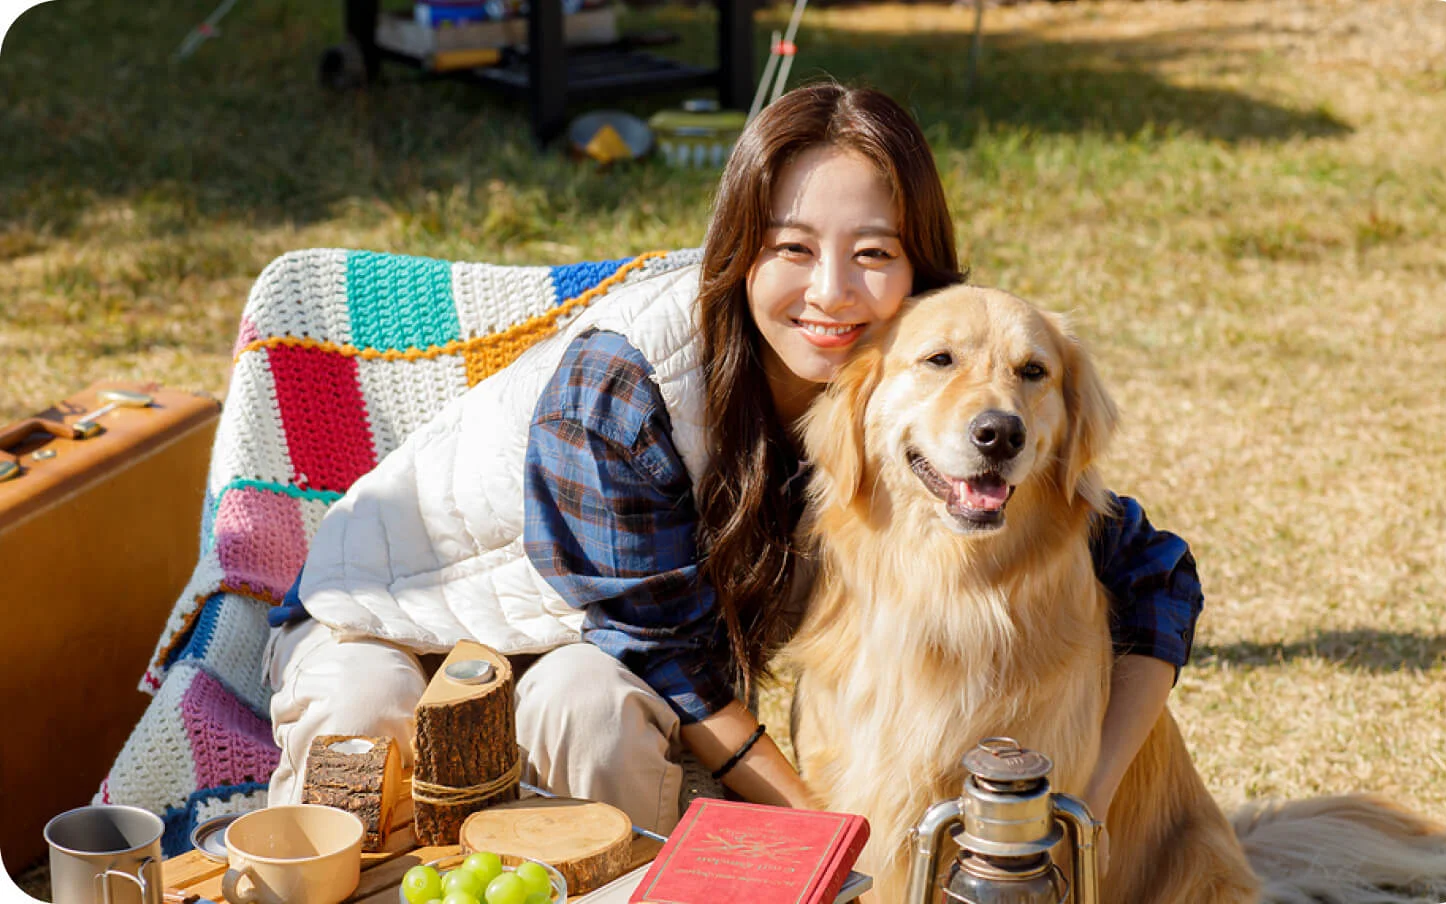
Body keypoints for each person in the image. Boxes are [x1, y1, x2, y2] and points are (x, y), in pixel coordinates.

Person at [264, 83, 1200, 865]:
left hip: (595, 655)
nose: (831, 291)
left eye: (872, 253)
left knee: (584, 709)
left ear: (917, 268)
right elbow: (667, 658)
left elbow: (1149, 569)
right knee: (364, 716)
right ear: (740, 248)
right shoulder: (625, 386)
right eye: (792, 248)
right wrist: (826, 842)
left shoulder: (920, 376)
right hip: (396, 606)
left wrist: (1084, 803)